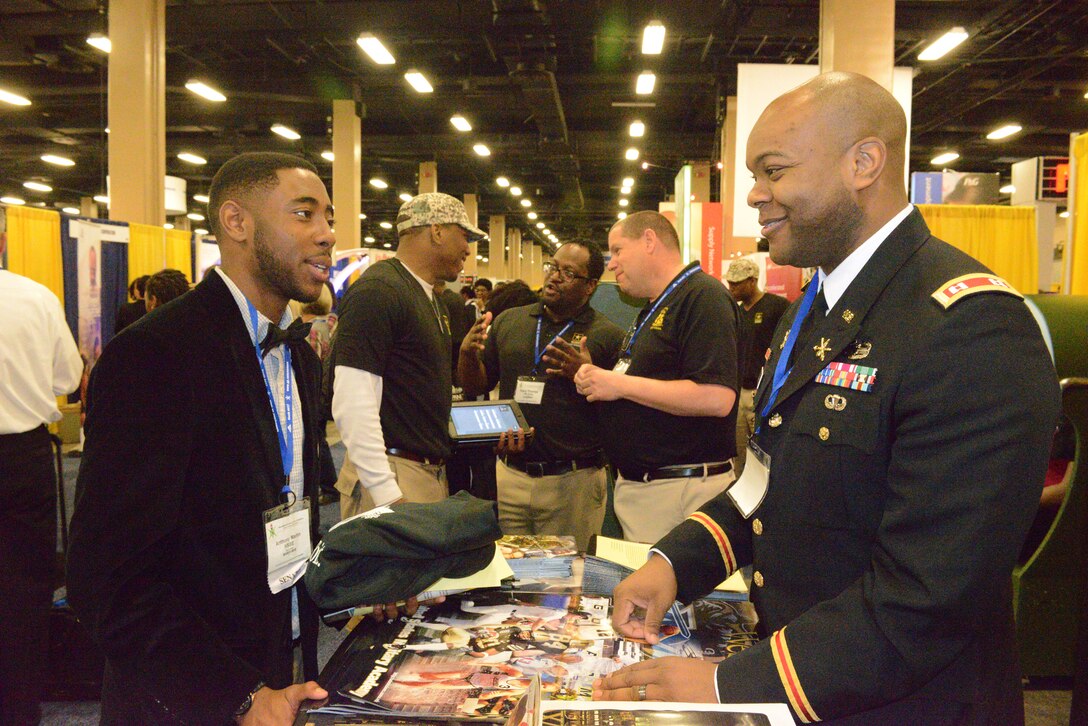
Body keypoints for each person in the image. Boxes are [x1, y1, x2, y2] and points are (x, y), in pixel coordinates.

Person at [592, 72, 1060, 725]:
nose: (755, 195)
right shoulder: (814, 312)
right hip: (805, 681)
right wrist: (673, 564)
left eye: (774, 171)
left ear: (863, 163)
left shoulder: (971, 327)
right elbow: (764, 484)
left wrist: (730, 683)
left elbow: (925, 599)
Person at [67, 152, 337, 724]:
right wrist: (234, 695)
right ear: (236, 223)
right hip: (186, 697)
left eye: (329, 218)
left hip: (280, 667)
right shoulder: (156, 354)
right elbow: (107, 578)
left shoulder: (299, 358)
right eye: (305, 214)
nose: (327, 235)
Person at [574, 211, 739, 544]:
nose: (611, 264)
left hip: (679, 493)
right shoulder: (656, 305)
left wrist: (617, 384)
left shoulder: (702, 297)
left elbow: (717, 398)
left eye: (618, 250)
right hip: (651, 492)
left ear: (649, 240)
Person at [459, 241, 624, 551]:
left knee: (567, 582)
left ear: (589, 286)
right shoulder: (511, 321)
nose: (555, 277)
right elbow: (477, 385)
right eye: (553, 267)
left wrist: (586, 374)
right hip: (510, 476)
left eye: (568, 273)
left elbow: (622, 412)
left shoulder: (607, 335)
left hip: (573, 482)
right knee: (509, 573)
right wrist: (467, 355)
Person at [331, 193, 484, 518]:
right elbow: (353, 400)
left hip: (423, 476)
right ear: (437, 231)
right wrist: (386, 492)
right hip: (392, 479)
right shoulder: (380, 291)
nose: (468, 249)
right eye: (465, 236)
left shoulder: (428, 297)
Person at [0, 239, 83, 725]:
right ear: (6, 242)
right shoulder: (36, 297)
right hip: (23, 457)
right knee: (24, 589)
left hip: (25, 453)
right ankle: (18, 709)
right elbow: (67, 379)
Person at [724, 257, 789, 476]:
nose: (732, 287)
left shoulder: (777, 307)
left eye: (737, 283)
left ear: (752, 281)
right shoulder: (735, 312)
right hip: (738, 391)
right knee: (740, 451)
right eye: (730, 283)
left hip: (764, 393)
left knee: (765, 450)